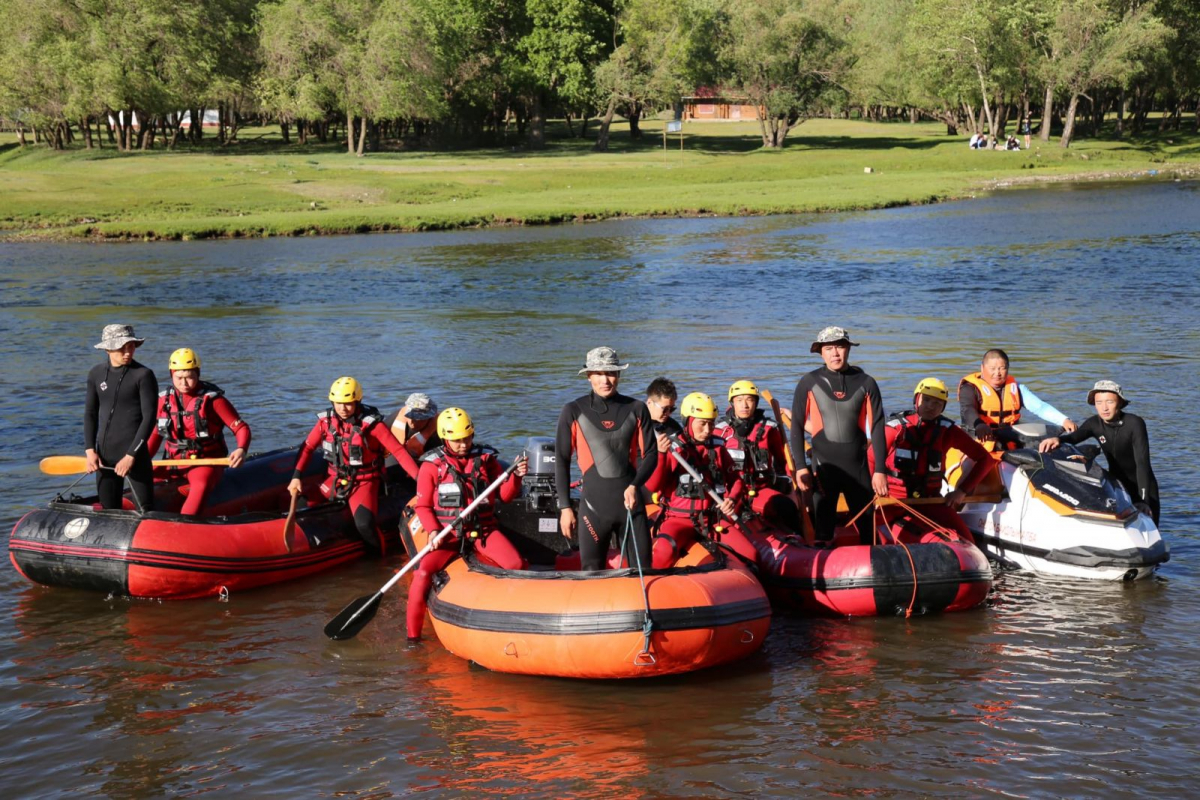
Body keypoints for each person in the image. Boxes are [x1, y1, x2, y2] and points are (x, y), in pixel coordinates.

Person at [406, 407, 528, 640]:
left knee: (516, 564)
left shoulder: (486, 459)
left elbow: (506, 495)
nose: (463, 444)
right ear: (445, 438)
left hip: (483, 530)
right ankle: (413, 638)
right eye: (457, 440)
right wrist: (433, 532)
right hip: (448, 534)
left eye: (467, 438)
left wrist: (517, 476)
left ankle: (515, 620)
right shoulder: (431, 466)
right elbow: (422, 507)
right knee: (422, 574)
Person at [288, 377, 420, 556]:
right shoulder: (325, 423)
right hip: (335, 479)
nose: (343, 408)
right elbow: (308, 448)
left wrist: (420, 481)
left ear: (357, 401)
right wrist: (296, 476)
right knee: (301, 504)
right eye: (338, 403)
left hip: (364, 482)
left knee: (364, 524)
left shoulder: (372, 425)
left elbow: (398, 452)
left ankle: (378, 562)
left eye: (348, 403)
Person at [555, 347, 658, 570]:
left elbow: (651, 455)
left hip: (631, 505)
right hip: (593, 508)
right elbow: (562, 460)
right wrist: (565, 507)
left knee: (644, 569)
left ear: (619, 375)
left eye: (611, 373)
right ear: (589, 375)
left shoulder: (636, 409)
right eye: (599, 374)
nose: (605, 380)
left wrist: (634, 486)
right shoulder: (573, 411)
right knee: (591, 572)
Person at [791, 326, 889, 545]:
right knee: (822, 532)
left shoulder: (866, 383)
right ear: (820, 352)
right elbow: (796, 426)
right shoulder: (809, 382)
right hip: (824, 469)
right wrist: (800, 467)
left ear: (848, 350)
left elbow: (877, 426)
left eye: (840, 347)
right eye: (829, 348)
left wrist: (880, 470)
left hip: (859, 469)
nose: (835, 353)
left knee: (868, 532)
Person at [868, 378, 995, 543]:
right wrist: (873, 489)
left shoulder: (948, 431)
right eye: (926, 400)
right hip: (892, 501)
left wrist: (961, 491)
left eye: (937, 403)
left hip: (930, 500)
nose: (930, 406)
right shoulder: (896, 428)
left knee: (967, 541)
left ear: (943, 407)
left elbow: (985, 459)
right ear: (916, 400)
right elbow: (870, 458)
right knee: (873, 537)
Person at [647, 393, 757, 569]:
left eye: (711, 423)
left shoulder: (718, 447)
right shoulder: (673, 449)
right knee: (662, 555)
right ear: (689, 422)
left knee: (751, 555)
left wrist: (732, 499)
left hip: (711, 519)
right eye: (702, 423)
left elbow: (736, 479)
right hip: (679, 519)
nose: (707, 430)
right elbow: (653, 486)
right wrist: (660, 454)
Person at [146, 348, 251, 516]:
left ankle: (185, 526)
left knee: (200, 485)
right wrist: (141, 460)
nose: (184, 383)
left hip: (205, 462)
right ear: (171, 375)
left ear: (198, 374)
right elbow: (155, 434)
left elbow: (241, 428)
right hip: (173, 462)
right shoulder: (163, 400)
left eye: (190, 377)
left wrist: (241, 449)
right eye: (179, 378)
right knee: (140, 479)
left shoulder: (214, 401)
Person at [1038, 380, 1160, 525]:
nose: (1104, 408)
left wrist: (1143, 501)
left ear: (1119, 402)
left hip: (1144, 487)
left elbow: (1142, 464)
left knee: (1148, 536)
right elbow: (1074, 437)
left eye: (1109, 402)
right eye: (1099, 402)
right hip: (1118, 488)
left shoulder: (1135, 423)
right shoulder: (1094, 424)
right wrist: (1058, 439)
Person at [84, 324, 158, 511]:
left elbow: (149, 418)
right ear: (108, 349)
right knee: (108, 511)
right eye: (121, 347)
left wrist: (131, 455)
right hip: (104, 457)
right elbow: (90, 414)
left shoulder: (143, 375)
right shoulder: (96, 374)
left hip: (135, 456)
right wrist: (90, 451)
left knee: (145, 511)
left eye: (131, 346)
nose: (127, 352)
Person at [714, 380, 800, 533]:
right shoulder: (719, 431)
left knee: (786, 507)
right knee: (723, 519)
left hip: (761, 489)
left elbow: (784, 462)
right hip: (732, 494)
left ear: (756, 403)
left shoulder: (769, 429)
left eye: (750, 400)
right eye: (739, 400)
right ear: (732, 403)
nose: (745, 405)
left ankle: (795, 541)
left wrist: (794, 488)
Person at [959, 348, 1076, 451]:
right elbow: (968, 409)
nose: (997, 373)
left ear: (1008, 369)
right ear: (982, 368)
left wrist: (1063, 420)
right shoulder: (970, 388)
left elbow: (1039, 407)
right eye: (992, 368)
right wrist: (979, 424)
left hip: (1009, 439)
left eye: (1002, 368)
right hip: (980, 440)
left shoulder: (1017, 388)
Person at [387, 392, 440, 458]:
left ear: (429, 417)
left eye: (418, 418)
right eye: (410, 416)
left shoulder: (440, 430)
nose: (413, 422)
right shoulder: (390, 421)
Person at [646, 376, 681, 455]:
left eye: (671, 409)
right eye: (664, 409)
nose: (668, 413)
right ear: (649, 403)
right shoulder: (637, 425)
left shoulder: (674, 427)